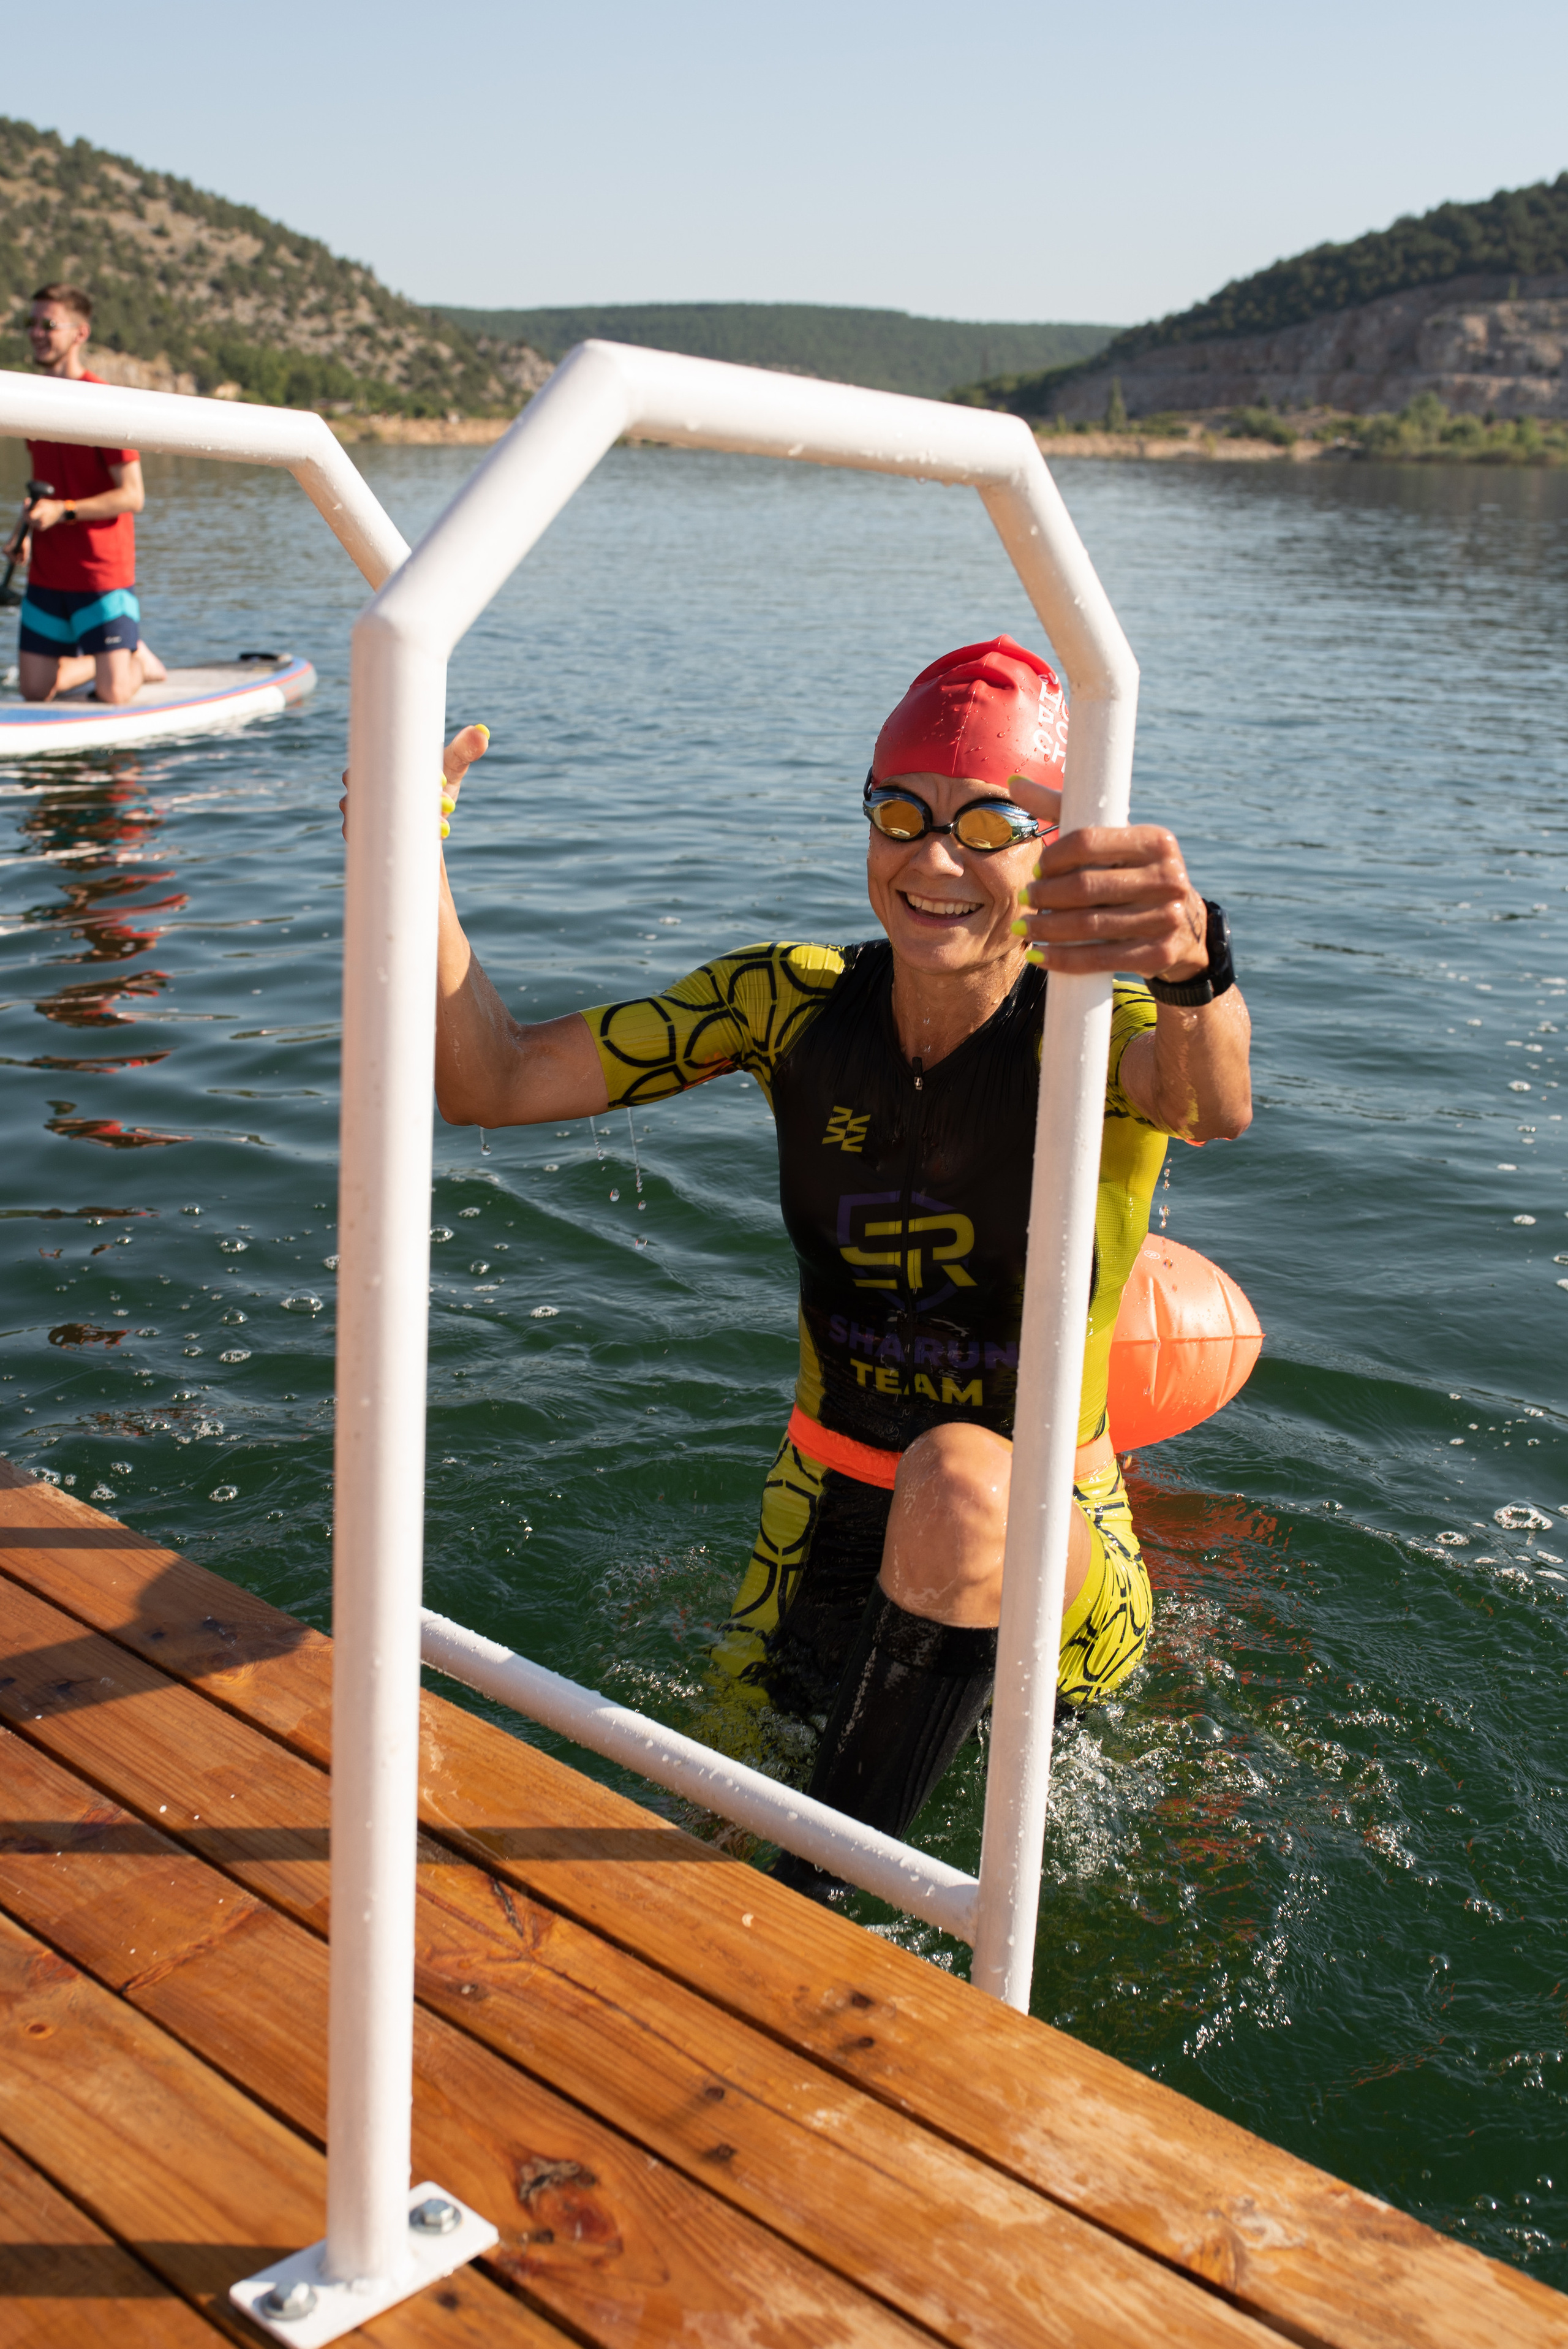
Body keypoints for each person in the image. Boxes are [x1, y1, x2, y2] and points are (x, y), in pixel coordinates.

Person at [417, 635, 1252, 1899]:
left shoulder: (1102, 1030)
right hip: (814, 1523)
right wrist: (406, 859)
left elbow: (1210, 1103)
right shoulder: (785, 1003)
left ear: (1053, 848)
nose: (933, 859)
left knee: (961, 1485)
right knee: (675, 1848)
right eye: (901, 813)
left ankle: (810, 1916)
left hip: (1044, 1539)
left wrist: (1193, 966)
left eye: (988, 823)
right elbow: (489, 1081)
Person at [12, 283, 167, 706]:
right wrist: (21, 534)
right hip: (48, 571)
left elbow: (133, 495)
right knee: (33, 691)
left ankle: (133, 658)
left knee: (114, 692)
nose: (37, 333)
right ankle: (113, 653)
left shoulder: (103, 401)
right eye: (33, 324)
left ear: (80, 333)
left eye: (49, 324)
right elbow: (44, 486)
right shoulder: (31, 402)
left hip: (101, 573)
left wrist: (64, 510)